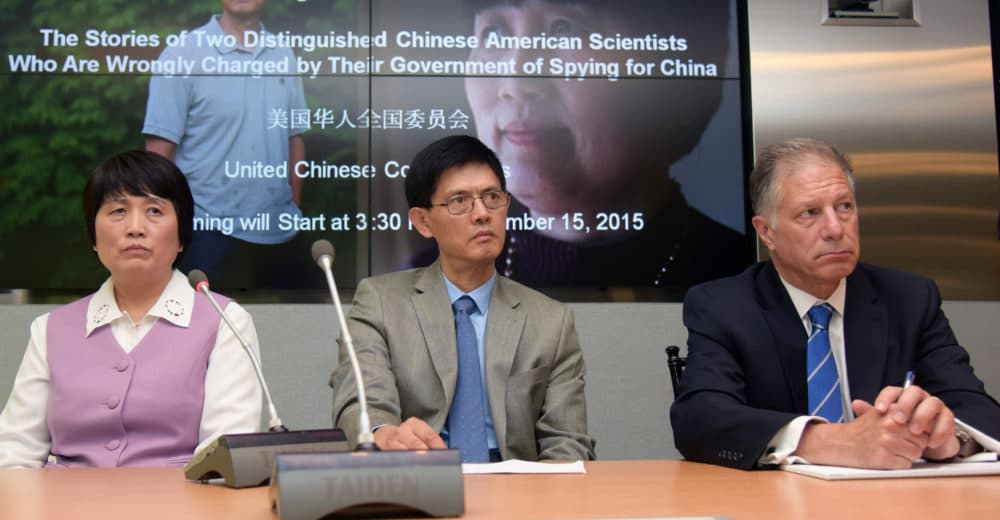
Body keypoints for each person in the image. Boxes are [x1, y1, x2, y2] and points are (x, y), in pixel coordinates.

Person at [670, 137, 1000, 470]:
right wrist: (831, 442)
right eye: (810, 213)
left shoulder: (909, 299)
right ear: (767, 232)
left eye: (844, 207)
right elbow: (699, 418)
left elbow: (979, 408)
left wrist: (949, 437)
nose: (835, 228)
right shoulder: (724, 306)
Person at [331, 135, 595, 462]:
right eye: (459, 201)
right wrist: (384, 435)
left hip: (517, 491)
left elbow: (568, 445)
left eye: (492, 197)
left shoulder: (551, 321)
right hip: (418, 478)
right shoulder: (381, 303)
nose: (482, 213)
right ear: (423, 221)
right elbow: (361, 404)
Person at [458, 0, 747, 289]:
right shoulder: (428, 281)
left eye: (565, 29)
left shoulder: (751, 284)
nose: (515, 84)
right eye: (494, 33)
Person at [0, 150, 262, 468]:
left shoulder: (225, 322)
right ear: (93, 236)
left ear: (182, 236)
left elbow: (223, 458)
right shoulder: (50, 329)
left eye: (154, 210)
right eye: (118, 211)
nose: (135, 227)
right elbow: (14, 453)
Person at [143, 0, 309, 288]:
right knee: (206, 331)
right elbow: (159, 152)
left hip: (279, 230)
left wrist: (293, 205)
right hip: (206, 232)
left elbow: (295, 136)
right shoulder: (183, 52)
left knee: (283, 328)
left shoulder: (283, 52)